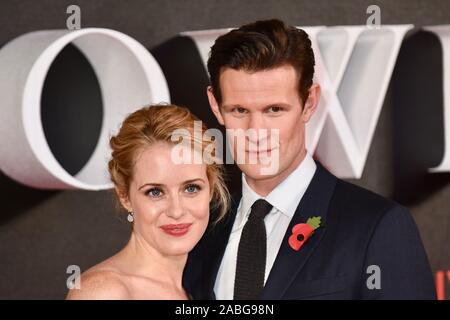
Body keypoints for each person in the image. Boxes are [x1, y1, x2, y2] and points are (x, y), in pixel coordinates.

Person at [183, 19, 436, 299]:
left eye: (275, 110)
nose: (255, 133)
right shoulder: (200, 227)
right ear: (215, 106)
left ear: (310, 103)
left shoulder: (378, 227)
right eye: (239, 110)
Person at [67, 104, 229, 299]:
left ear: (210, 190)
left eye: (191, 188)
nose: (176, 211)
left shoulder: (206, 287)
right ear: (125, 196)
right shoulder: (103, 292)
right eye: (155, 192)